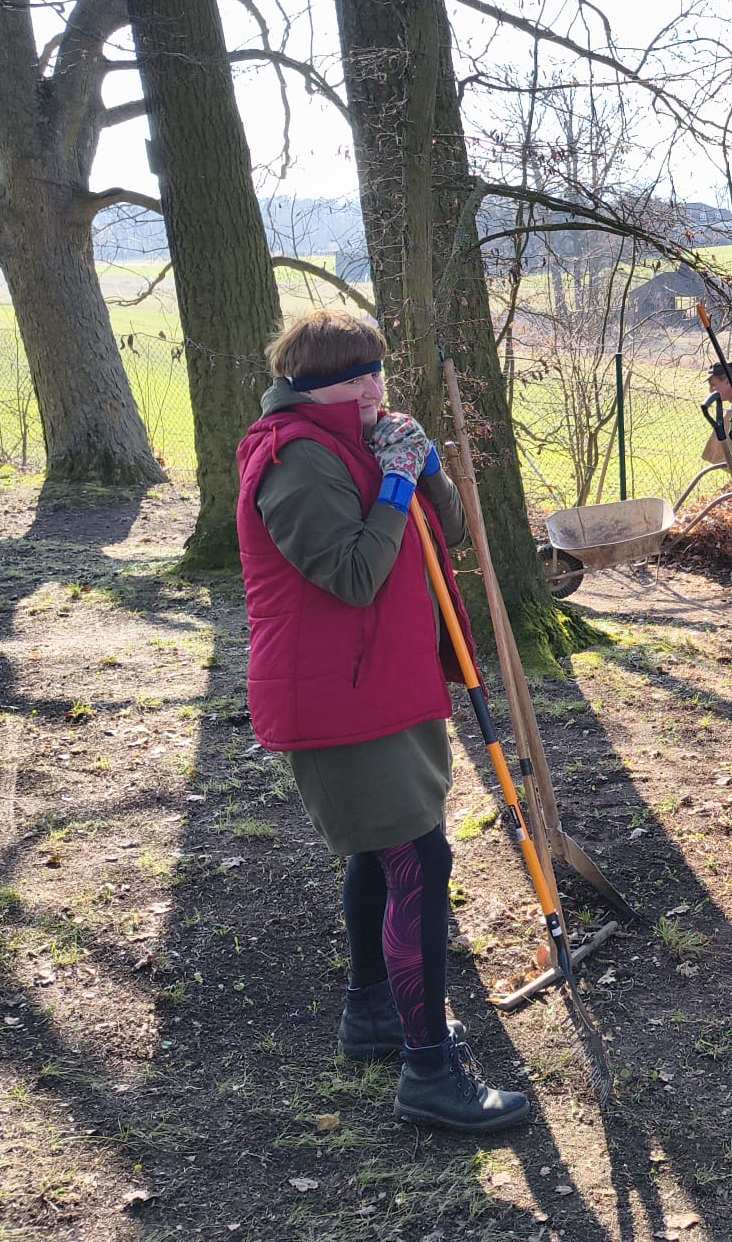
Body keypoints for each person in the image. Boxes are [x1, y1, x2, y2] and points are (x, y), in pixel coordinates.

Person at [236, 308, 531, 1136]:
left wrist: (424, 470)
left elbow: (448, 535)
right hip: (338, 697)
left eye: (379, 372)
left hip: (385, 683)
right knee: (420, 862)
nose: (378, 388)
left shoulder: (361, 440)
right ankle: (428, 1071)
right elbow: (355, 574)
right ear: (318, 386)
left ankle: (371, 1013)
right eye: (362, 376)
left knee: (385, 849)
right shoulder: (295, 459)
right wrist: (395, 484)